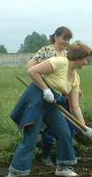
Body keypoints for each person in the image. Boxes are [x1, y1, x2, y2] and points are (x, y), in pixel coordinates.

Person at [3, 42, 92, 177]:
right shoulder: (59, 62)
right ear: (79, 57)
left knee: (64, 132)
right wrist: (46, 89)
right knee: (31, 138)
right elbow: (32, 71)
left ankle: (63, 167)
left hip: (52, 104)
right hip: (37, 99)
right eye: (86, 58)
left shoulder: (75, 77)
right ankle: (12, 176)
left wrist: (84, 128)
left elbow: (75, 106)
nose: (87, 61)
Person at [26, 26, 76, 166]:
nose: (66, 41)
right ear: (55, 37)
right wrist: (43, 87)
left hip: (62, 95)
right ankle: (46, 155)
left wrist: (75, 89)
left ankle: (62, 156)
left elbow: (69, 74)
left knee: (67, 126)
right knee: (49, 127)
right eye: (64, 38)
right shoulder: (46, 50)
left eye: (68, 39)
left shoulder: (66, 54)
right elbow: (30, 67)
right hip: (47, 94)